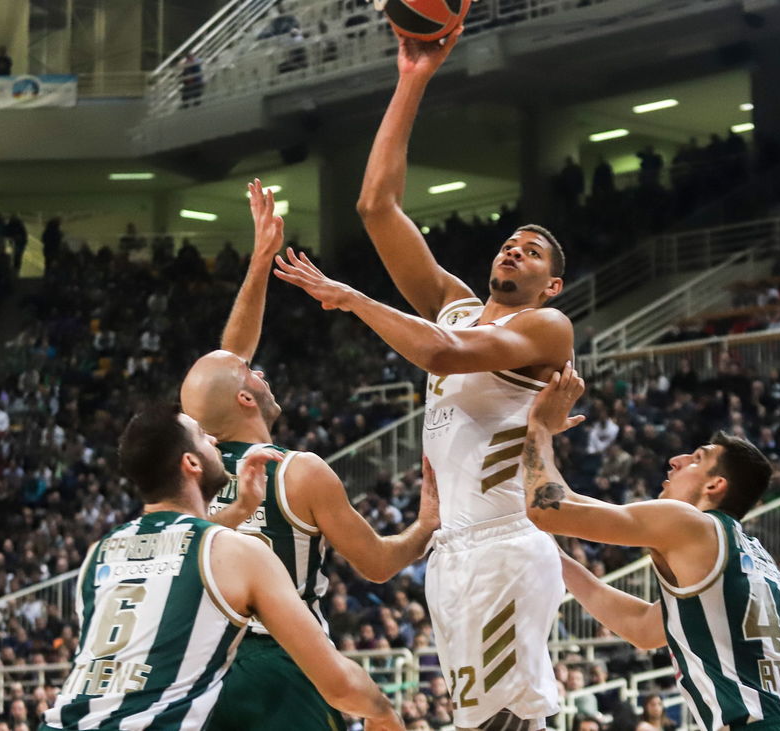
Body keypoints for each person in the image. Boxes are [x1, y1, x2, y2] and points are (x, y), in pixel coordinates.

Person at [277, 28, 573, 731]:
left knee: (507, 723)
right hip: (451, 550)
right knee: (477, 720)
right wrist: (413, 78)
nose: (514, 247)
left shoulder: (546, 330)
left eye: (532, 251)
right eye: (512, 240)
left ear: (551, 283)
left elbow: (441, 354)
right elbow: (377, 207)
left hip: (505, 539)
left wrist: (354, 299)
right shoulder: (459, 302)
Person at [180, 181, 438, 731]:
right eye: (256, 374)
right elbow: (377, 564)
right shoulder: (297, 472)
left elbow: (227, 366)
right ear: (247, 398)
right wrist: (424, 526)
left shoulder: (189, 468)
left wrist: (259, 263)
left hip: (201, 670)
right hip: (284, 660)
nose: (261, 369)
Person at [41, 404, 401, 731]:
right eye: (202, 436)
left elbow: (184, 549)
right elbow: (339, 685)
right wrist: (382, 712)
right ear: (192, 463)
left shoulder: (99, 553)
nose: (213, 439)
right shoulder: (238, 552)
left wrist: (242, 509)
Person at [515, 364, 780, 729]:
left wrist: (538, 428)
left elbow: (548, 507)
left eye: (697, 459)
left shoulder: (692, 523)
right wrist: (556, 556)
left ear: (715, 486)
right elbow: (643, 628)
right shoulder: (751, 553)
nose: (676, 460)